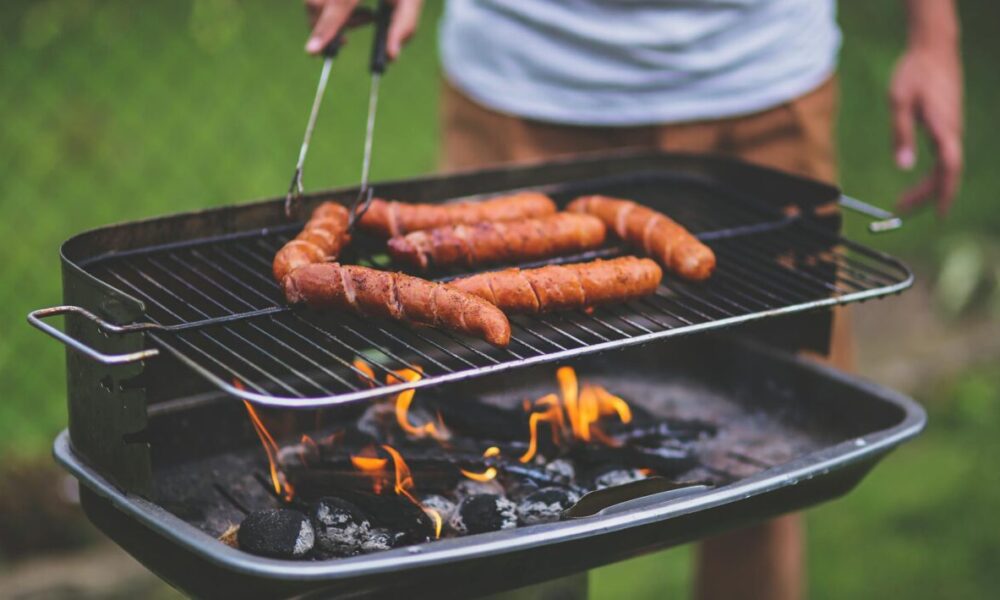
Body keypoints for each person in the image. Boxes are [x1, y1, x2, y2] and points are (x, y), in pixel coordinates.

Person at [304, 1, 964, 598]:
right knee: (486, 491)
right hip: (524, 78)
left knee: (769, 469)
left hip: (760, 83)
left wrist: (935, 38)